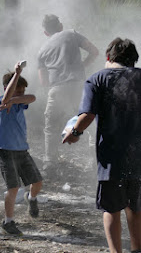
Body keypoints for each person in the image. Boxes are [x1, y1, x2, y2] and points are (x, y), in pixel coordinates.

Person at [63, 38, 141, 253]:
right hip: (139, 157)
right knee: (135, 206)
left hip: (112, 159)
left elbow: (87, 114)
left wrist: (75, 133)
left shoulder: (97, 79)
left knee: (111, 208)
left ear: (108, 57)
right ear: (134, 59)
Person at [37, 14, 99, 174]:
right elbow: (94, 51)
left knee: (51, 127)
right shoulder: (71, 33)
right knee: (90, 121)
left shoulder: (41, 50)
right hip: (79, 85)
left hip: (57, 89)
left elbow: (43, 82)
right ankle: (96, 160)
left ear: (45, 33)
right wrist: (82, 66)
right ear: (60, 26)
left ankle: (50, 163)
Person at [0, 61, 42, 236]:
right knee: (13, 187)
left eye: (22, 90)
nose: (21, 93)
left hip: (22, 150)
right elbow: (6, 99)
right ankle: (8, 222)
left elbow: (32, 97)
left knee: (37, 182)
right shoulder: (2, 102)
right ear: (8, 87)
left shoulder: (18, 103)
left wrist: (15, 98)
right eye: (17, 89)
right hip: (5, 151)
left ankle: (32, 198)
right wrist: (17, 73)